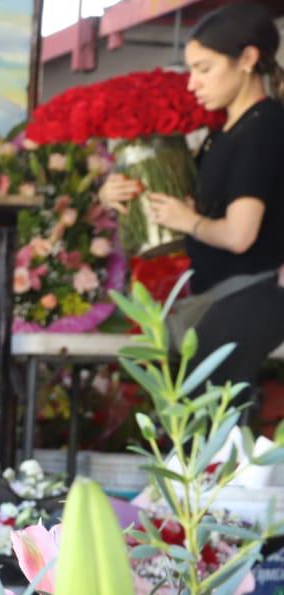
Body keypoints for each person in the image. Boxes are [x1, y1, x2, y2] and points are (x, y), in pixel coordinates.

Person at [101, 2, 284, 396]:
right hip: (224, 299)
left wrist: (189, 221)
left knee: (212, 436)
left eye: (204, 69)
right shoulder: (226, 132)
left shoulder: (263, 130)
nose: (192, 84)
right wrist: (121, 193)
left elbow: (239, 235)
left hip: (251, 299)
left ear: (248, 59)